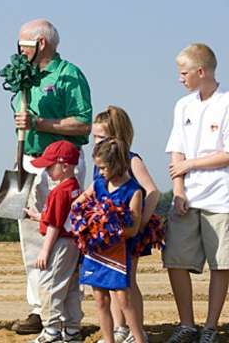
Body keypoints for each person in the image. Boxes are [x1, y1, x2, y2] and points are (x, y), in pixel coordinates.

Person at [10, 18, 92, 335]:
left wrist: (40, 123)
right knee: (31, 239)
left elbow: (82, 123)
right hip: (30, 160)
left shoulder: (68, 74)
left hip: (61, 164)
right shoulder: (23, 78)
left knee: (62, 238)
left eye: (22, 44)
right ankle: (39, 306)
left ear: (40, 44)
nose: (17, 50)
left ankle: (67, 313)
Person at [164, 43, 229, 343]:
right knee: (175, 259)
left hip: (221, 197)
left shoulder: (227, 103)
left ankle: (210, 327)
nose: (180, 78)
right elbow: (176, 149)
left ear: (201, 72)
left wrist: (191, 164)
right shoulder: (183, 105)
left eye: (183, 72)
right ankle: (186, 324)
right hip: (187, 196)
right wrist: (178, 189)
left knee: (221, 264)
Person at [91, 106, 160, 343]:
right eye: (94, 137)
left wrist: (140, 224)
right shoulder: (100, 164)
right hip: (107, 235)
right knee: (110, 281)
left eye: (101, 137)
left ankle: (135, 329)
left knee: (127, 282)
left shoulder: (132, 160)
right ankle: (119, 328)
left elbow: (152, 192)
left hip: (128, 231)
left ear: (116, 137)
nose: (96, 141)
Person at [74, 138, 144, 343]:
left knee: (124, 299)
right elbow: (77, 206)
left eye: (103, 167)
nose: (100, 171)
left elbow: (133, 229)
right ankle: (108, 339)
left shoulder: (134, 191)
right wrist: (89, 222)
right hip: (95, 252)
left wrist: (109, 229)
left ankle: (139, 339)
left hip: (117, 253)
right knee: (100, 299)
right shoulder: (98, 185)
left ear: (117, 164)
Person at [22, 140, 83, 343]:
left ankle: (51, 331)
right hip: (73, 245)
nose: (47, 170)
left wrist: (44, 252)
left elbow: (55, 226)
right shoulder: (74, 188)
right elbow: (60, 217)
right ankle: (73, 330)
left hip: (59, 244)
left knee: (49, 286)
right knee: (71, 287)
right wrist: (38, 216)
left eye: (49, 166)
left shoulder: (59, 191)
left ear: (64, 166)